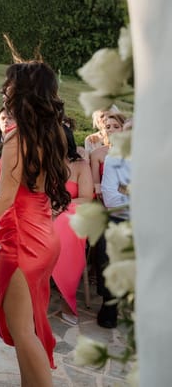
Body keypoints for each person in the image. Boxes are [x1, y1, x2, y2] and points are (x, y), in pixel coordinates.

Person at [0, 61, 71, 386]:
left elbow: (6, 199)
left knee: (23, 332)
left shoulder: (18, 139)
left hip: (21, 242)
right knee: (27, 328)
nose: (5, 90)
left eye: (10, 85)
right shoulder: (50, 133)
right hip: (44, 237)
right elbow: (23, 192)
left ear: (24, 92)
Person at [52, 123, 94, 325]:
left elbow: (87, 198)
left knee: (65, 224)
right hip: (46, 211)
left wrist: (62, 205)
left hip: (74, 210)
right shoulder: (42, 164)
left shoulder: (80, 165)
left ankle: (66, 298)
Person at [95, 119, 132, 328]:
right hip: (118, 218)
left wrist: (125, 190)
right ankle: (109, 304)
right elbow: (110, 197)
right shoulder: (113, 160)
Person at [90, 112, 127, 199]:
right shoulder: (97, 154)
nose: (111, 129)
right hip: (106, 196)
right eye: (108, 127)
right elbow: (96, 184)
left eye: (116, 127)